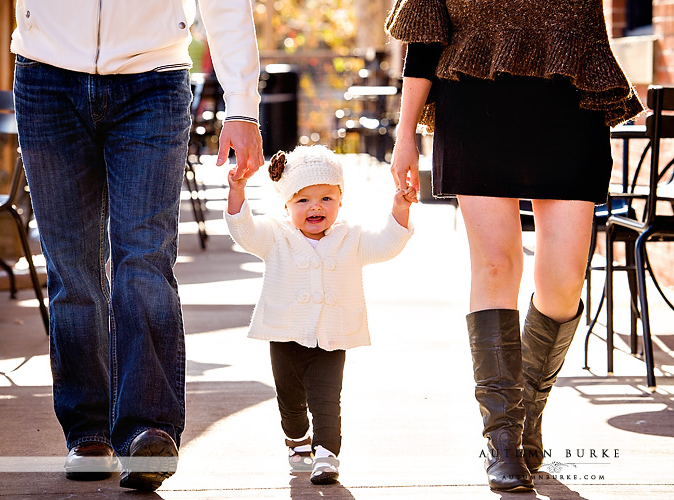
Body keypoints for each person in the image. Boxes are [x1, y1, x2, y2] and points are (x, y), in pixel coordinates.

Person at [0, 0, 263, 491]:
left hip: (153, 78)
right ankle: (87, 431)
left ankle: (147, 430)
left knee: (145, 260)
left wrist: (243, 106)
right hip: (47, 81)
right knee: (73, 270)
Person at [385, 0, 644, 493]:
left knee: (565, 281)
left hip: (570, 97)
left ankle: (525, 409)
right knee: (495, 264)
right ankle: (502, 437)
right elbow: (423, 38)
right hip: (475, 98)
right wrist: (405, 134)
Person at [225, 145, 416, 484]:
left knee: (327, 399)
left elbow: (388, 243)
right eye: (303, 200)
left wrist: (399, 209)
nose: (315, 206)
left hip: (332, 336)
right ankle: (298, 441)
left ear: (340, 201)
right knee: (291, 400)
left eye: (326, 198)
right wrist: (237, 192)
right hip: (286, 335)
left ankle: (327, 455)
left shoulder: (351, 238)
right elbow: (245, 232)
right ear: (286, 205)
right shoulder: (275, 236)